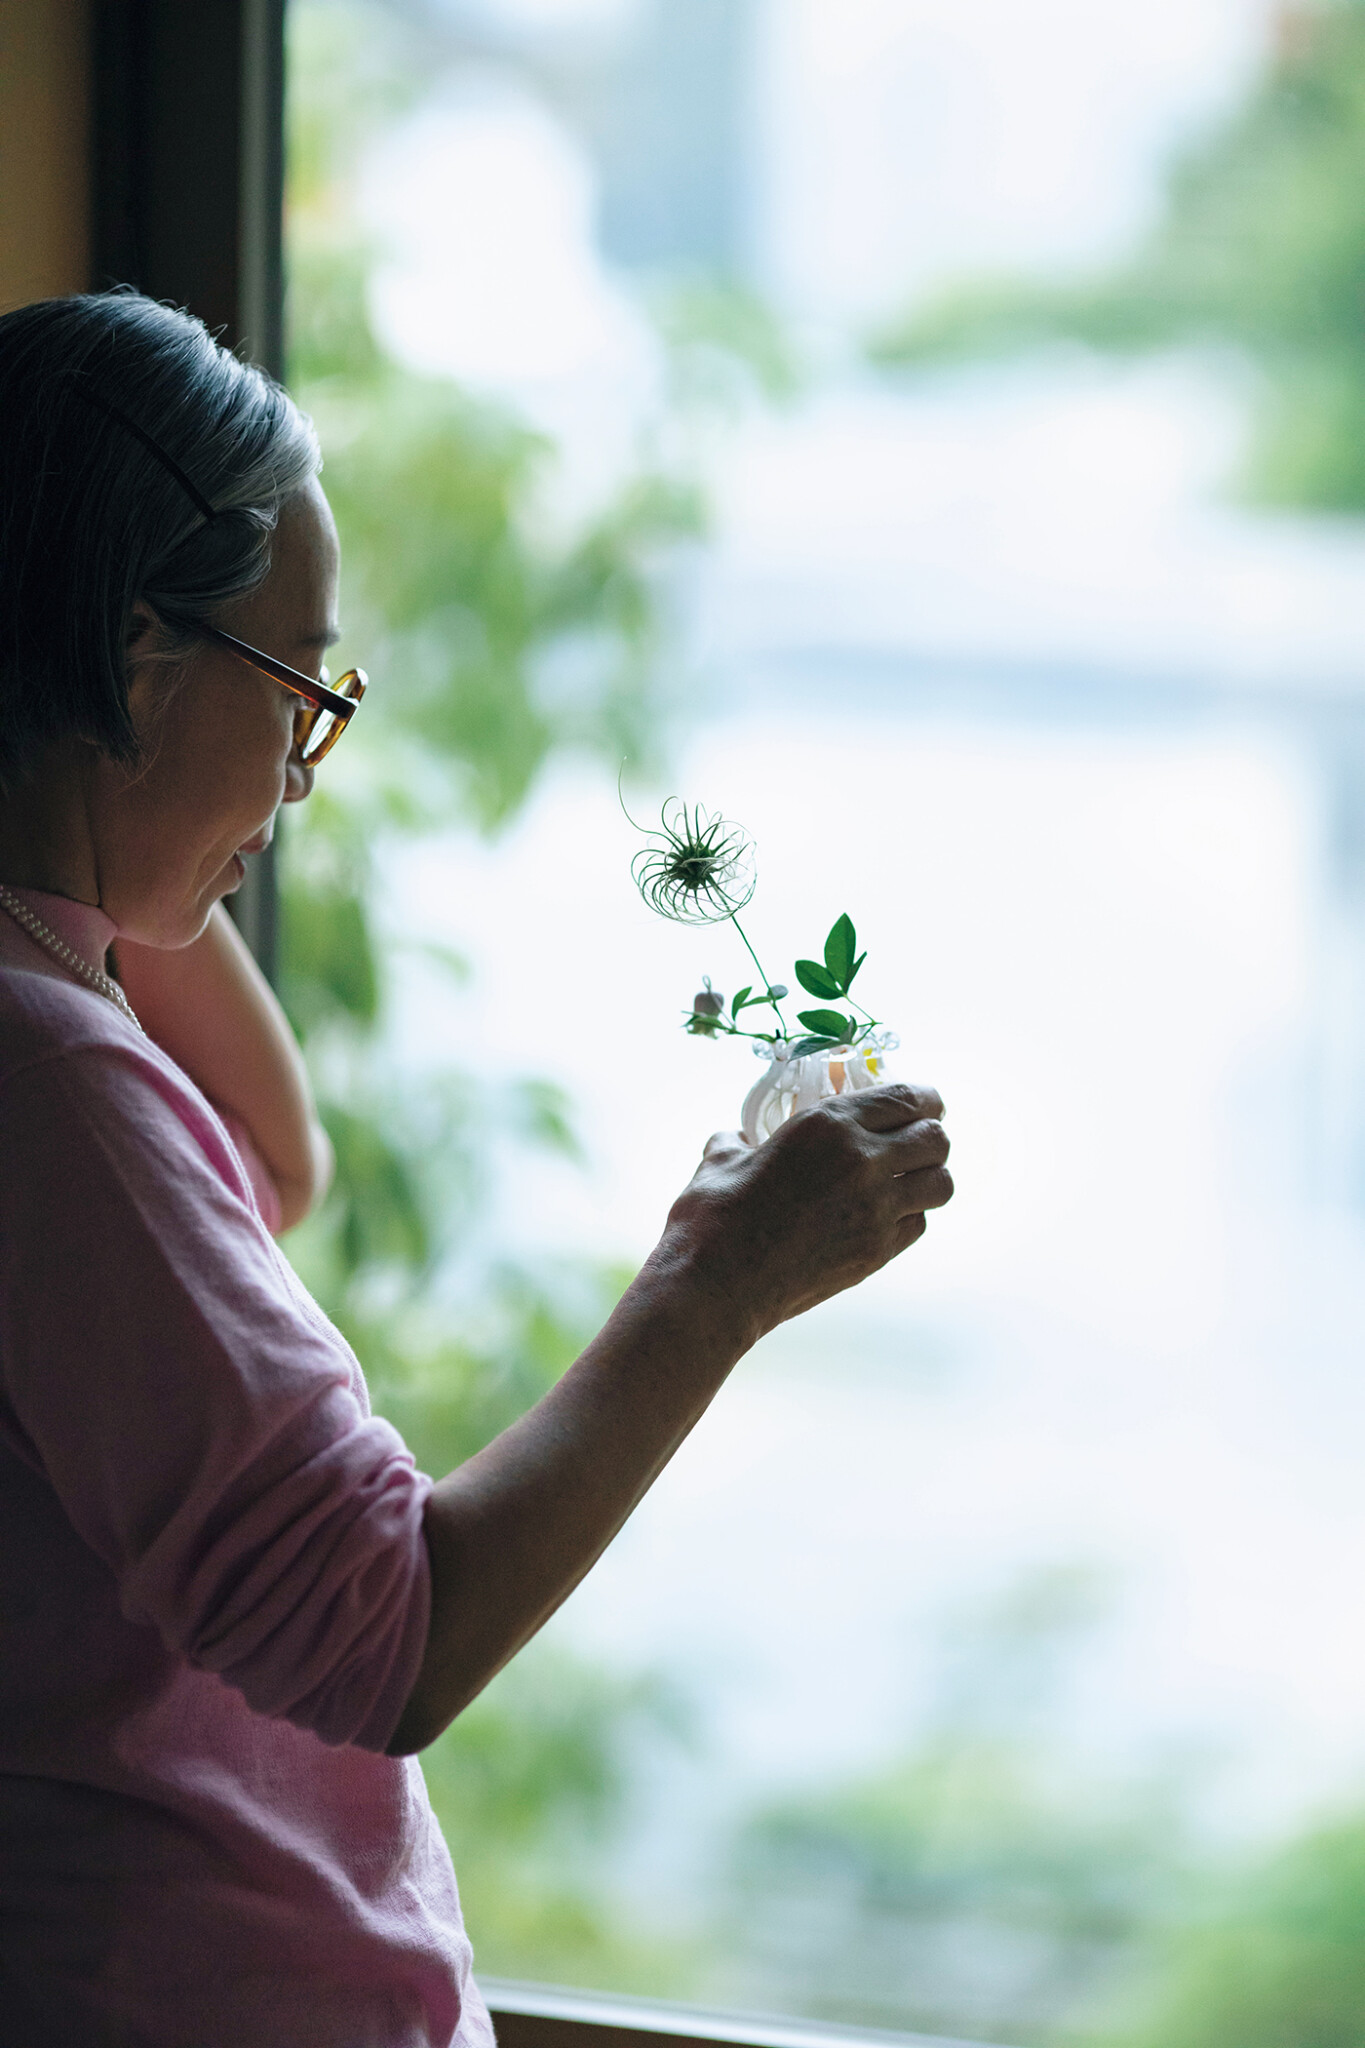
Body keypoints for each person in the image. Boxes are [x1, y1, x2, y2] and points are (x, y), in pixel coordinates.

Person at [0, 292, 953, 2048]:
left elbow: (269, 1163)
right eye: (296, 686)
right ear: (137, 653)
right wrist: (715, 1278)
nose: (302, 768)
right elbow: (390, 1640)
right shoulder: (46, 1081)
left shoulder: (57, 1032)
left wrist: (86, 792)